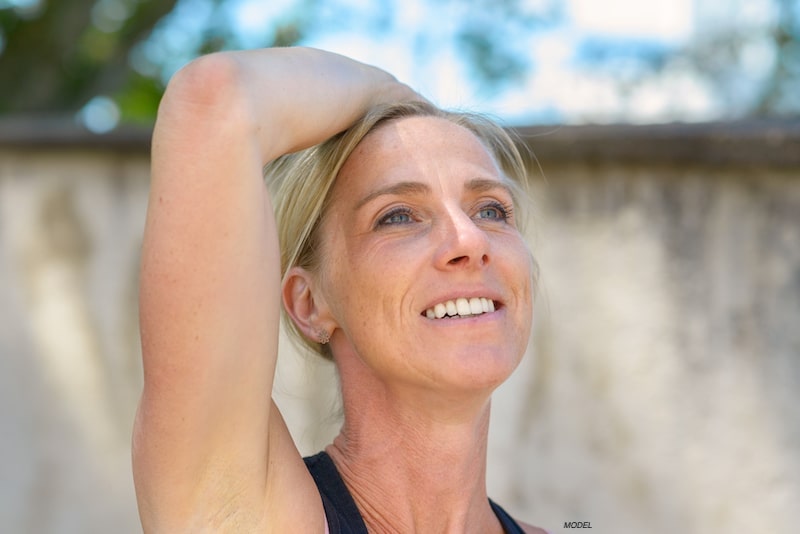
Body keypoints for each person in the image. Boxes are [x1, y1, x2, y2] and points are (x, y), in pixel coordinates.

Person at [133, 46, 548, 533]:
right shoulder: (251, 517)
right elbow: (214, 100)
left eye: (491, 210)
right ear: (309, 303)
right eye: (397, 216)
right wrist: (397, 96)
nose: (471, 240)